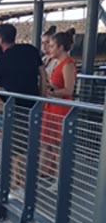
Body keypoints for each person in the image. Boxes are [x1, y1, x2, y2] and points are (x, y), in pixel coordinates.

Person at [40, 29, 77, 179]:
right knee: (52, 144)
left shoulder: (68, 64)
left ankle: (60, 178)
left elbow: (69, 90)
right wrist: (52, 88)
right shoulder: (58, 63)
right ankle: (54, 175)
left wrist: (51, 92)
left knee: (58, 145)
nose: (49, 49)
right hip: (52, 106)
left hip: (60, 108)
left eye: (52, 46)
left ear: (61, 47)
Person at [0, 22, 47, 106]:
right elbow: (43, 73)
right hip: (32, 103)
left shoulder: (2, 59)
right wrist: (41, 99)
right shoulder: (31, 49)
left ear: (0, 40)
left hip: (12, 107)